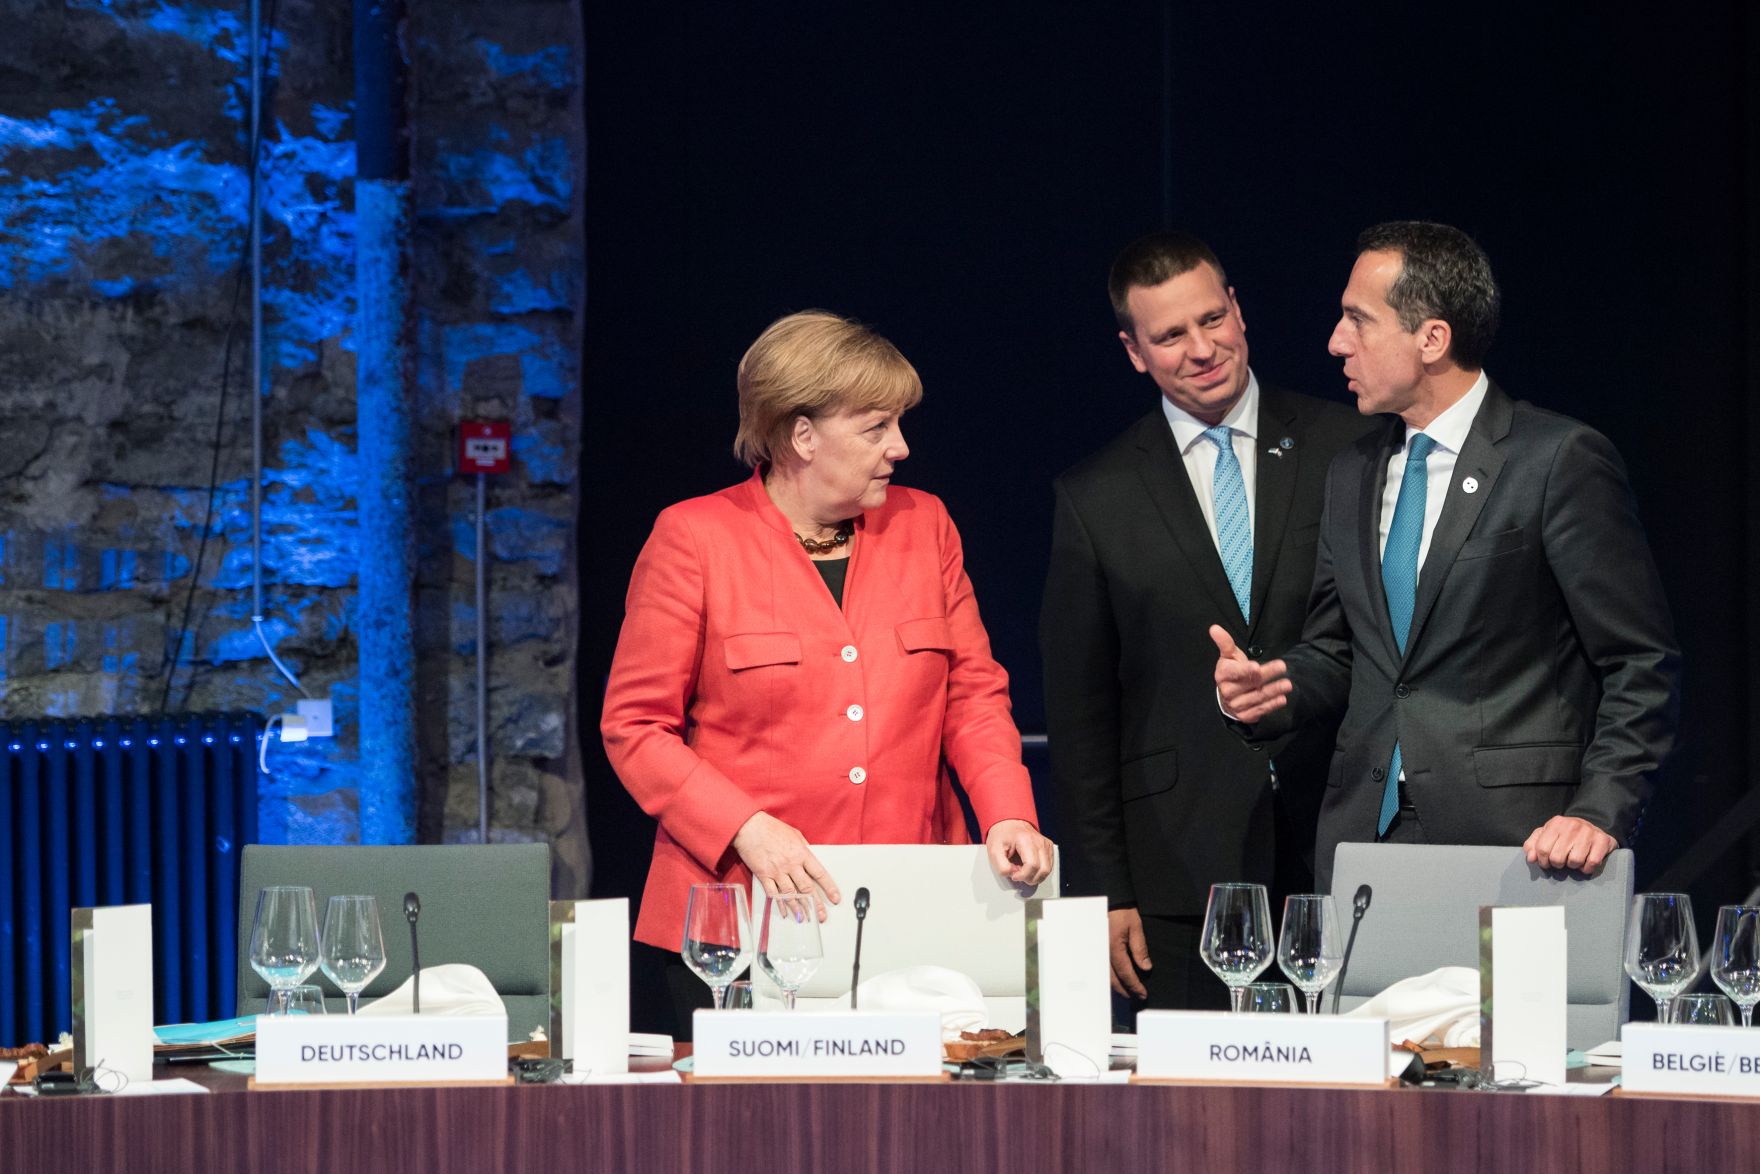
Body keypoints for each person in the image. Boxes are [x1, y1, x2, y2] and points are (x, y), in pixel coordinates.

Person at [603, 309, 1056, 1035]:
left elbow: (972, 695)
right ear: (802, 435)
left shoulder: (926, 525)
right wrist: (745, 828)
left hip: (908, 905)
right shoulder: (695, 538)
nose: (900, 447)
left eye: (898, 424)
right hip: (740, 916)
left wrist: (1008, 811)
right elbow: (634, 727)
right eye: (876, 428)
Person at [1214, 221, 1680, 889]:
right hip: (1363, 839)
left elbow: (1640, 661)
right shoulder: (1352, 472)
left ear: (1431, 339)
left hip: (1518, 847)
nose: (1336, 342)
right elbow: (1340, 651)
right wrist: (1273, 687)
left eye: (1358, 320)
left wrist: (1600, 809)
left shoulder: (1556, 460)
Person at [1041, 232, 1370, 1011]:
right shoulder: (1095, 496)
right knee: (1192, 1090)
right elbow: (1081, 715)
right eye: (1170, 336)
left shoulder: (1350, 446)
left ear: (1238, 311)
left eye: (1212, 319)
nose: (1201, 349)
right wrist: (1104, 890)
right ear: (1134, 352)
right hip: (1178, 874)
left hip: (1341, 846)